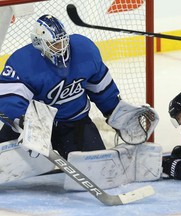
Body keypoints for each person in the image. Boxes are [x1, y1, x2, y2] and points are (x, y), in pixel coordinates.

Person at [0, 14, 157, 160]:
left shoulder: (84, 50)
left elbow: (101, 88)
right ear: (39, 44)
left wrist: (114, 112)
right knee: (5, 163)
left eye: (63, 41)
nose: (61, 48)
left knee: (97, 166)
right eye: (55, 44)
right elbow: (9, 101)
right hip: (38, 125)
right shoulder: (23, 62)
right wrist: (23, 123)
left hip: (75, 122)